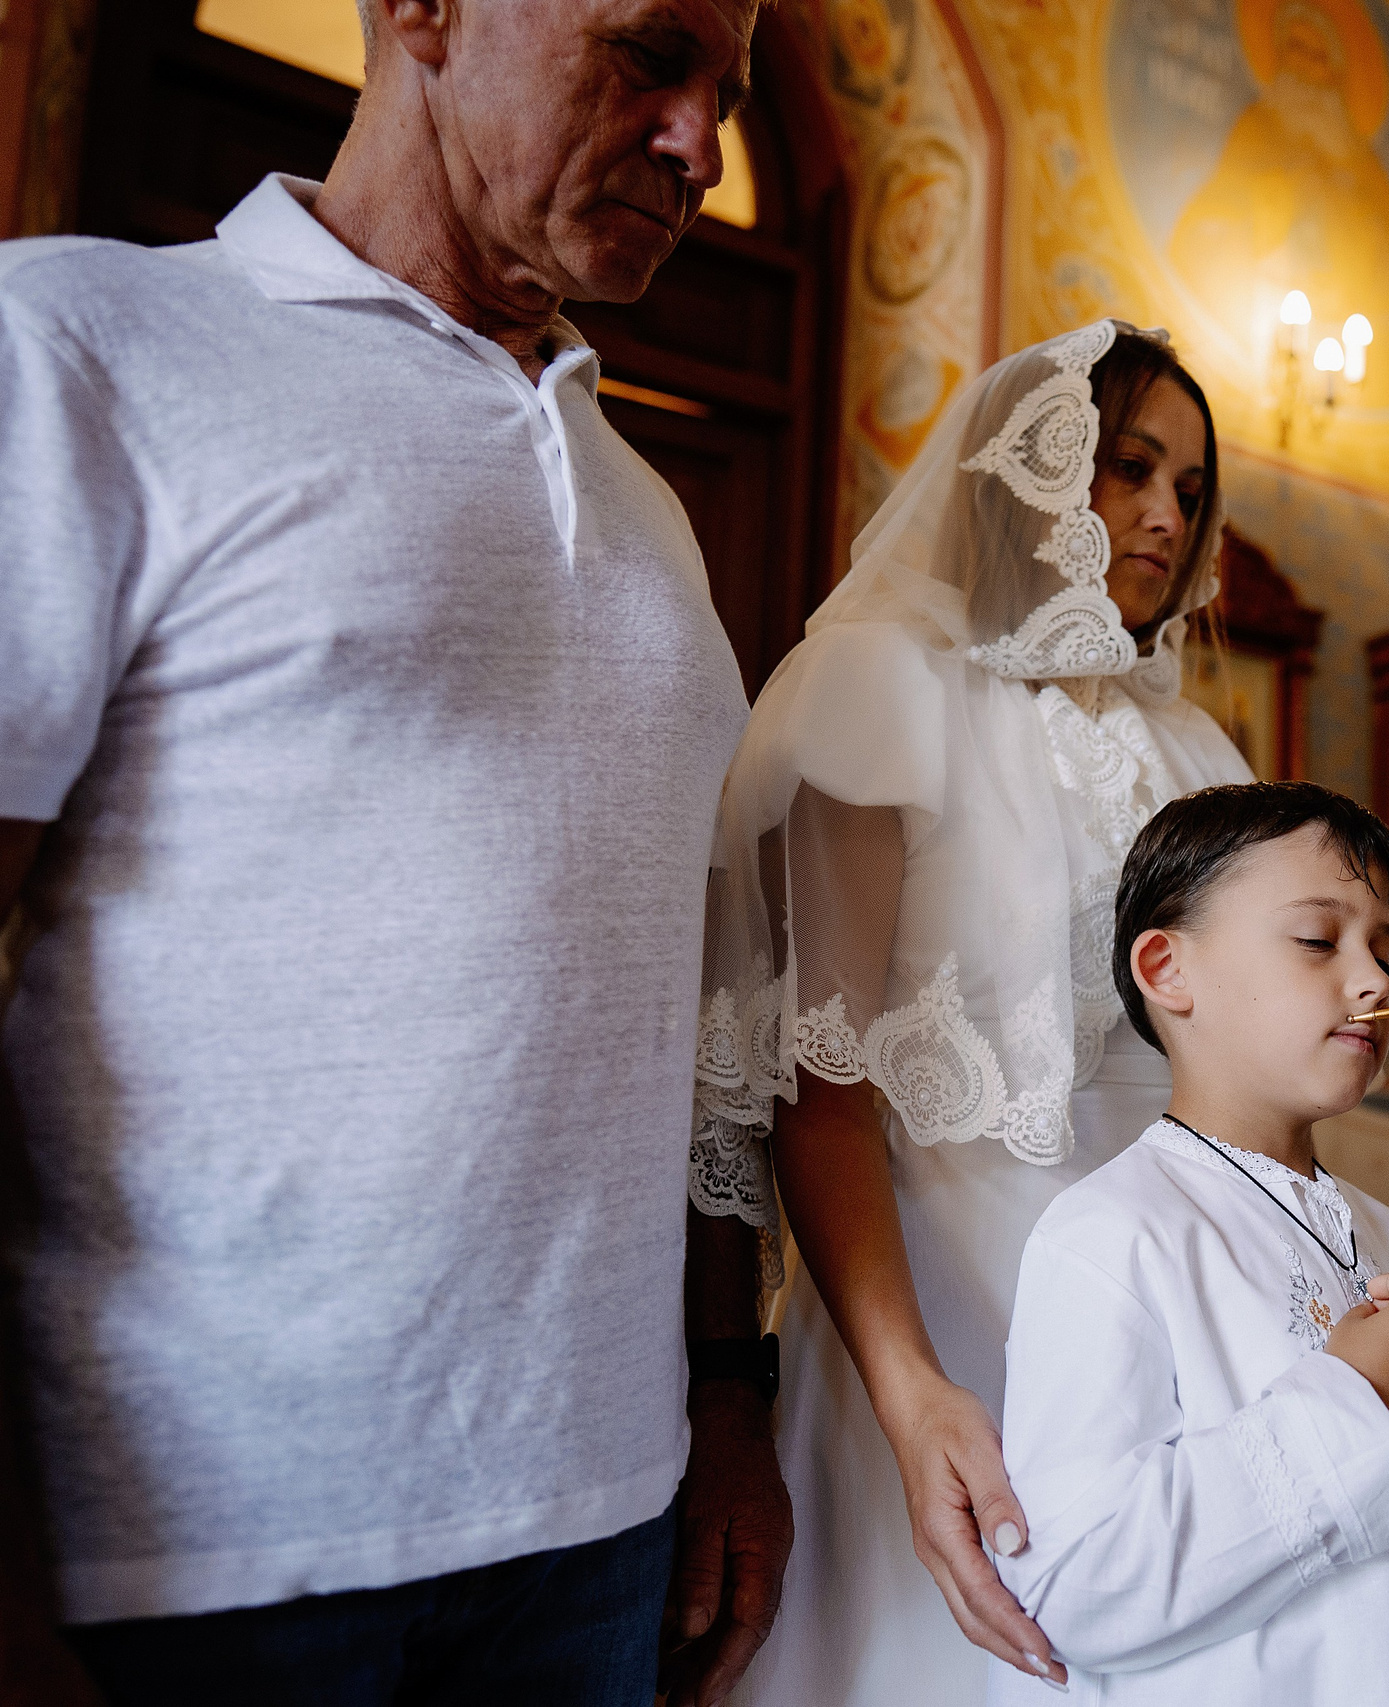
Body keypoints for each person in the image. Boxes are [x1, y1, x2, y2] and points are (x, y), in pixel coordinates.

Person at [0, 2, 791, 1703]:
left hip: (602, 1522)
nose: (700, 147)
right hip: (203, 1551)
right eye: (648, 56)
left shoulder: (651, 509)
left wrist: (730, 1388)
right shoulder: (79, 343)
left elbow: (698, 1007)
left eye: (727, 93)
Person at [690, 320, 1255, 1701]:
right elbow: (818, 1092)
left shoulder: (1193, 748)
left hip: (1173, 1313)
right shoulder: (881, 688)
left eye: (1188, 486)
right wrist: (908, 1385)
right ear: (1032, 470)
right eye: (1130, 466)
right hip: (945, 1309)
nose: (1166, 514)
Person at [989, 781, 1389, 1704]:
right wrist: (1353, 1404)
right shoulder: (1109, 1234)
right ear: (1168, 969)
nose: (1376, 980)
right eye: (1318, 939)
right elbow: (1076, 1582)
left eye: (1383, 947)